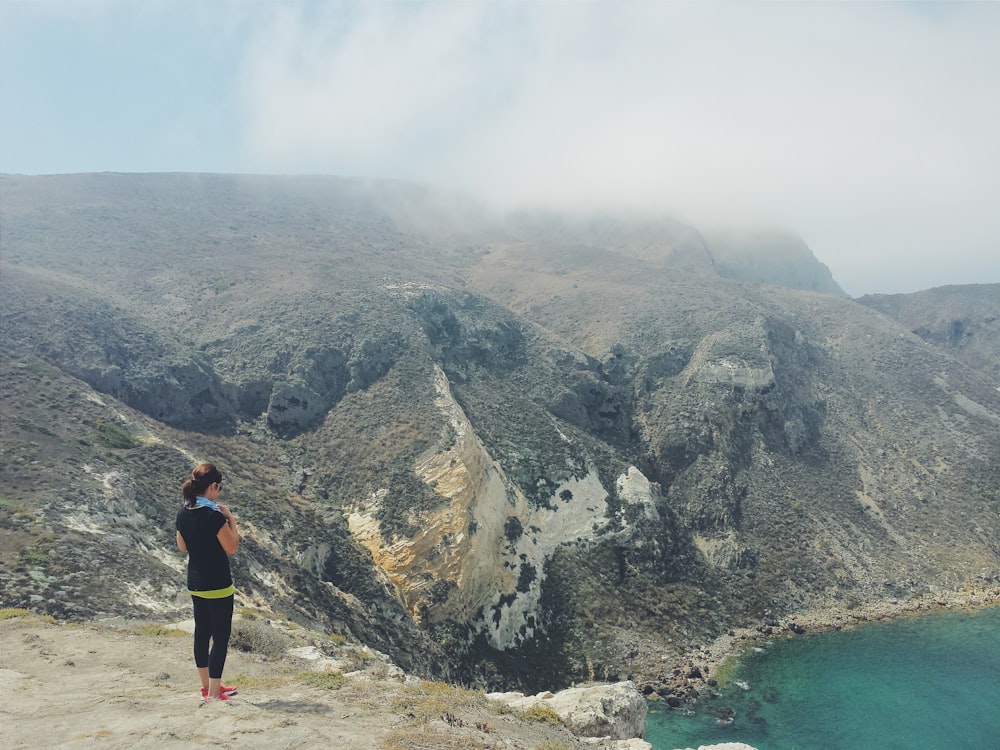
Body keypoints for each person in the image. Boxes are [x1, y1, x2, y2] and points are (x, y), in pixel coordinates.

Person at [176, 462, 240, 702]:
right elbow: (232, 547)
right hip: (218, 584)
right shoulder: (213, 516)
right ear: (213, 486)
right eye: (219, 487)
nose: (219, 491)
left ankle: (207, 688)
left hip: (195, 583)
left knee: (202, 633)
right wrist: (230, 519)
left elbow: (182, 547)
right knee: (220, 637)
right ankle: (214, 694)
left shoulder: (183, 512)